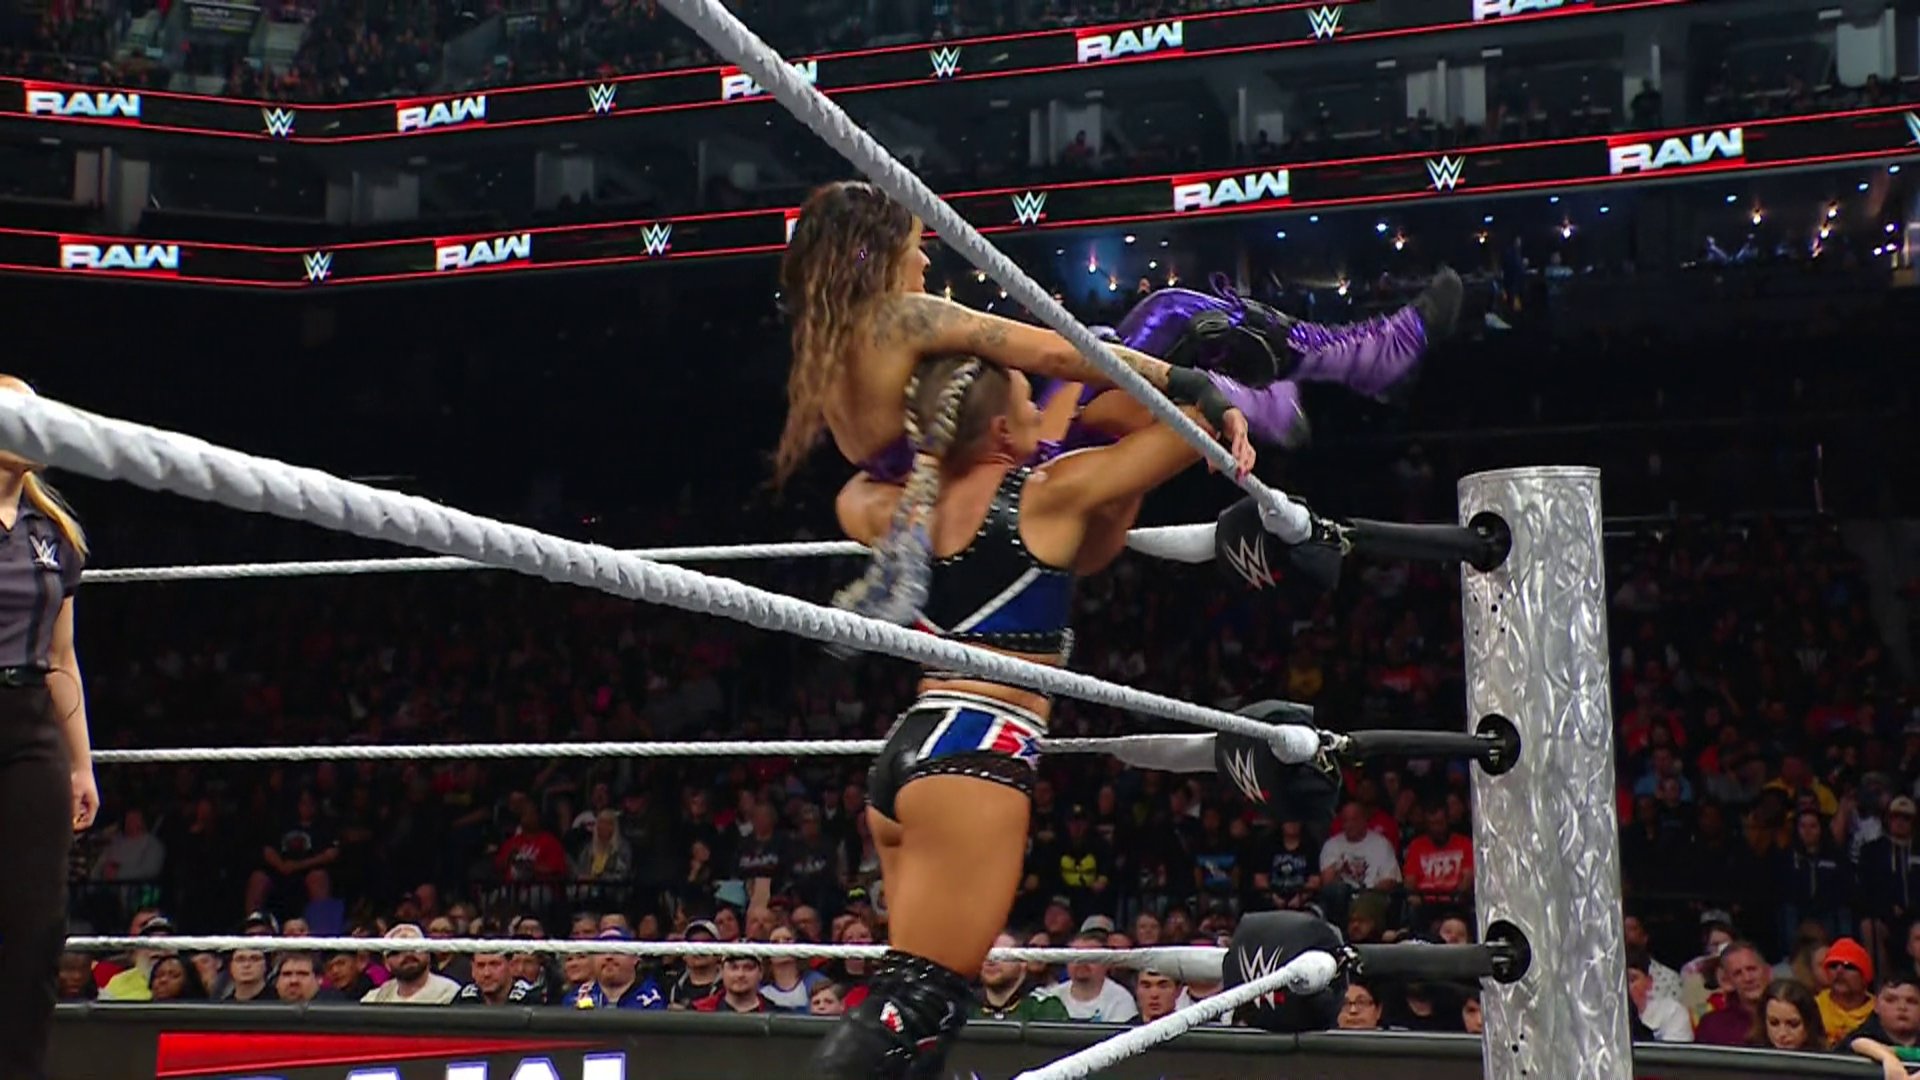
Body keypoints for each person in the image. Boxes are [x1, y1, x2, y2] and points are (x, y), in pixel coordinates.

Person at [815, 355, 1267, 1078]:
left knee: (920, 1009)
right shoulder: (1049, 495)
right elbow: (1190, 430)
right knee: (918, 1004)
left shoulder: (893, 509)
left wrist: (929, 449)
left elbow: (853, 485)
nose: (1044, 411)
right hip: (977, 752)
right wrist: (1159, 386)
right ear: (1000, 429)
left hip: (913, 746)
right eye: (1032, 400)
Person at [777, 182, 1460, 618]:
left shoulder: (823, 359)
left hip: (990, 504)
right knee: (1167, 316)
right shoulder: (899, 318)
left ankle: (1268, 397)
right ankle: (1352, 360)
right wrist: (1188, 383)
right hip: (1027, 482)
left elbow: (900, 476)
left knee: (1116, 361)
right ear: (871, 257)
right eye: (913, 248)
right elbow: (1058, 352)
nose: (926, 262)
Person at [0, 375, 95, 1080]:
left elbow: (62, 659)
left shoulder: (53, 534)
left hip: (29, 722)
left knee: (37, 927)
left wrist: (81, 764)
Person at [1750, 978, 1827, 1052]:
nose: (1782, 1033)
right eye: (1774, 1023)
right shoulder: (1749, 1056)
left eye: (1793, 1024)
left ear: (1810, 1024)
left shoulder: (1827, 1059)